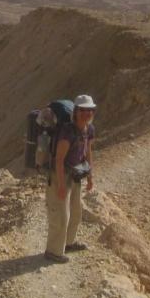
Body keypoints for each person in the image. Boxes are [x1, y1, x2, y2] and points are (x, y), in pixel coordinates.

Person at [44, 94, 96, 263]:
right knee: (60, 214)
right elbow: (59, 159)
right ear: (75, 111)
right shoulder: (67, 131)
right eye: (82, 110)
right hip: (60, 174)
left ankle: (69, 243)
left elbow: (87, 152)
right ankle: (53, 251)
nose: (86, 113)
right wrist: (60, 185)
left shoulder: (89, 129)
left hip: (76, 174)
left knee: (75, 211)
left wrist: (90, 176)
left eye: (89, 110)